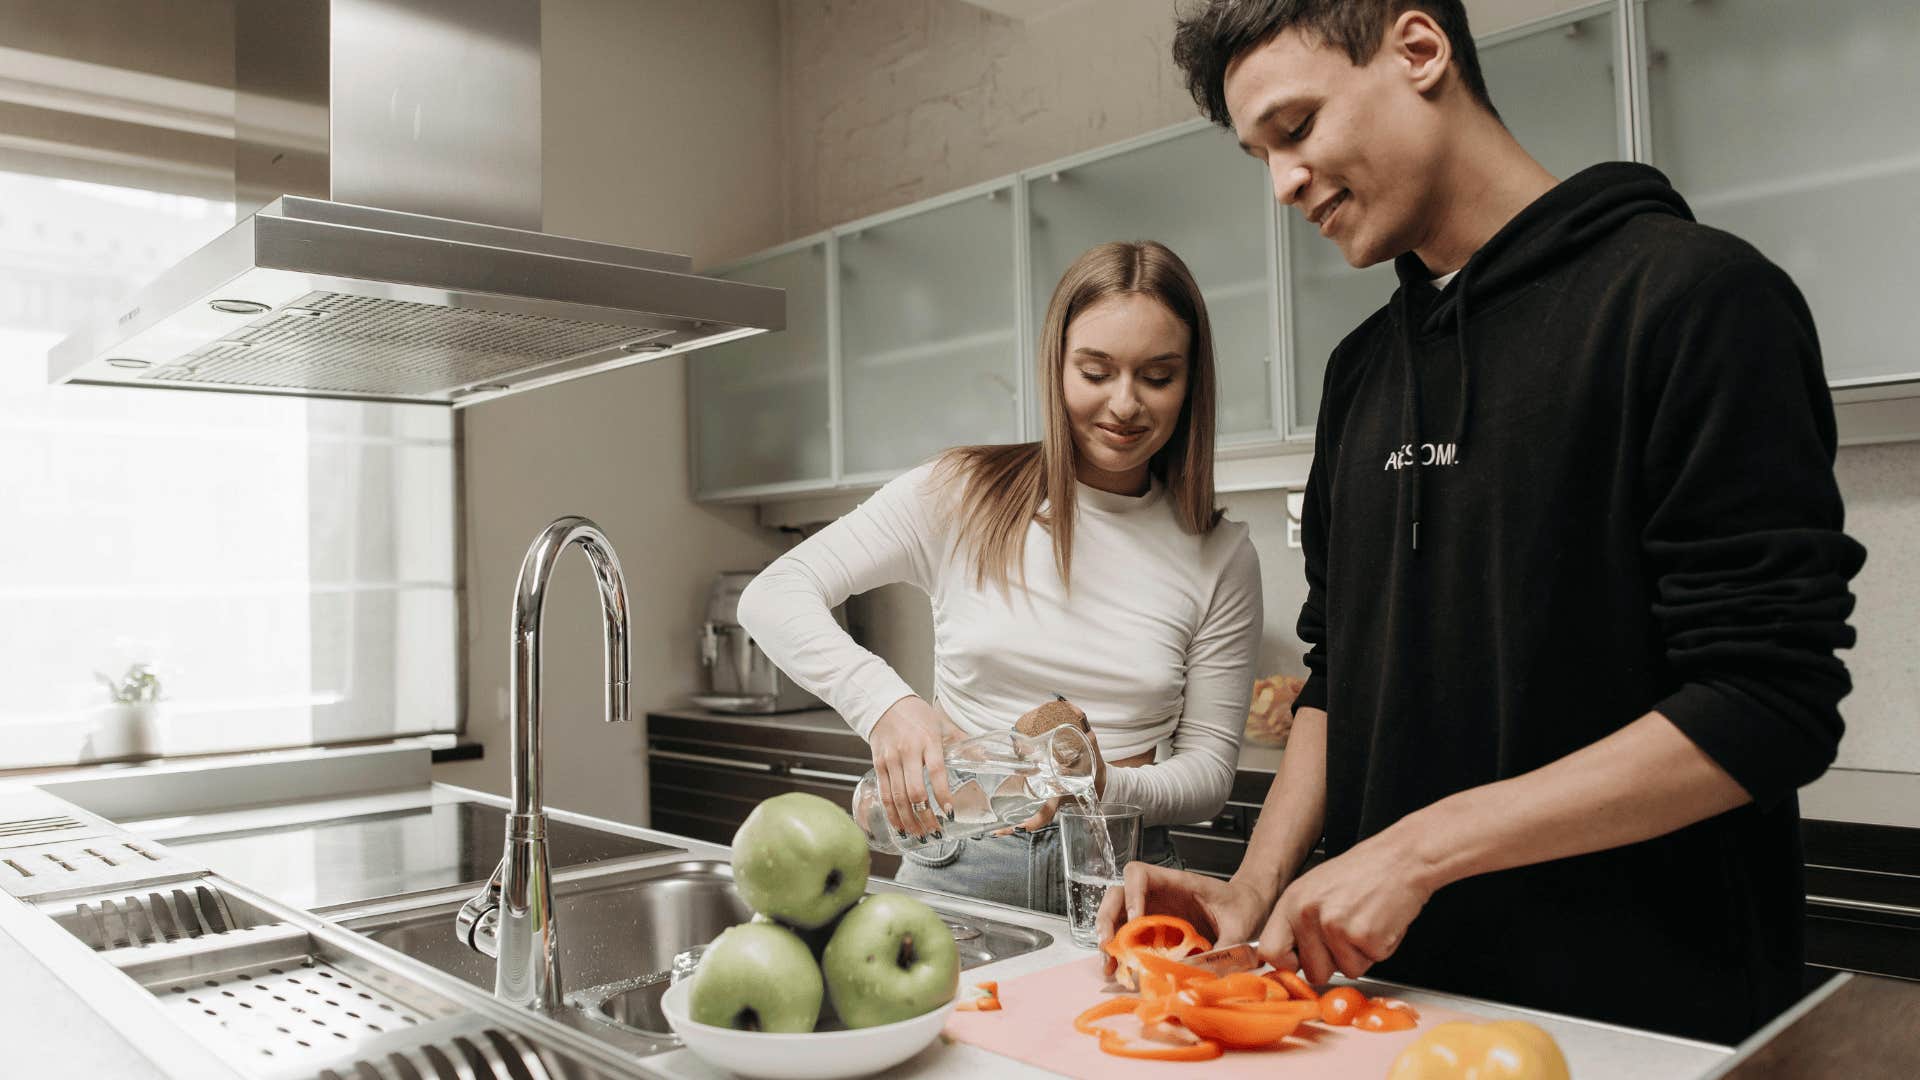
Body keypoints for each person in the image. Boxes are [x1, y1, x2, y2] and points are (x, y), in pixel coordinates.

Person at [1097, 0, 1866, 1045]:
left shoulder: (1696, 299)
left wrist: (1422, 847)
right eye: (1260, 153)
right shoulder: (1362, 370)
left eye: (1297, 128)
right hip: (1385, 1019)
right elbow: (1341, 671)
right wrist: (1256, 883)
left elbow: (1768, 703)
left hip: (1643, 1025)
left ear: (1419, 51)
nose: (1281, 184)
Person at [738, 240, 1262, 914]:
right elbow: (774, 596)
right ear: (1056, 366)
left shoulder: (1219, 554)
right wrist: (887, 707)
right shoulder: (964, 493)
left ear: (1191, 383)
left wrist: (1101, 786)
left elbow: (1210, 776)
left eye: (1157, 376)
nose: (1125, 404)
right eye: (1095, 371)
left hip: (1120, 875)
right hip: (959, 861)